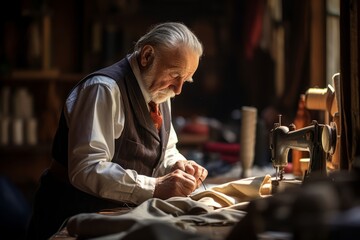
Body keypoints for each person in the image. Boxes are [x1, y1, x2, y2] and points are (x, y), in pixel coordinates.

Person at [26, 22, 208, 240]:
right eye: (175, 75)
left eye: (185, 79)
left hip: (117, 215)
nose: (178, 89)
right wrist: (155, 187)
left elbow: (166, 148)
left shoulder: (161, 90)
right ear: (147, 56)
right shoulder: (103, 89)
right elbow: (87, 168)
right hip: (73, 214)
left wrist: (178, 164)